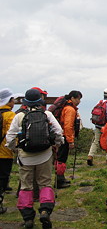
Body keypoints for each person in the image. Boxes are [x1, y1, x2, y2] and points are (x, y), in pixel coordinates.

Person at [6, 88, 63, 229]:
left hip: (25, 157)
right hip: (45, 154)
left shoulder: (19, 116)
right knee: (45, 183)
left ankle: (28, 218)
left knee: (26, 186)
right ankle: (45, 210)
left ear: (25, 102)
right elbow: (58, 132)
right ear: (40, 101)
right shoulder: (47, 114)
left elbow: (10, 137)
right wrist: (56, 144)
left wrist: (15, 148)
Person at [55, 90, 82, 189]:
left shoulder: (66, 107)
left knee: (61, 158)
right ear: (72, 98)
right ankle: (59, 180)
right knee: (61, 159)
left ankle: (60, 178)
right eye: (77, 98)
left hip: (62, 136)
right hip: (64, 137)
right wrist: (70, 140)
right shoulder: (70, 109)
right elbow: (68, 126)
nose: (79, 101)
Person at [0, 88, 21, 215]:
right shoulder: (10, 115)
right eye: (13, 99)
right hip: (4, 152)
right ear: (9, 100)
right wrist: (16, 148)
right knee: (2, 178)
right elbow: (11, 136)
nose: (14, 102)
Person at [87, 88, 107, 166]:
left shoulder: (99, 102)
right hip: (106, 126)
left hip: (97, 124)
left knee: (96, 141)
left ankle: (90, 156)